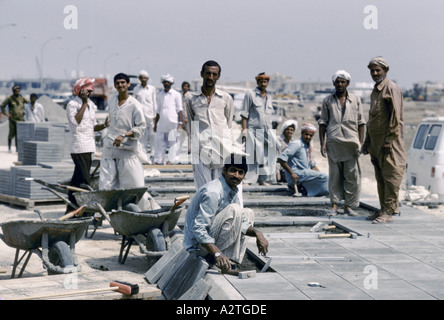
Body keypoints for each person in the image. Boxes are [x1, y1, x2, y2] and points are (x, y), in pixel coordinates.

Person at [183, 154, 269, 273]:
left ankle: (230, 261)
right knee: (234, 210)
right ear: (224, 170)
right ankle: (218, 261)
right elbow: (198, 229)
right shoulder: (213, 192)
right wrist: (217, 253)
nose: (236, 176)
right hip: (197, 247)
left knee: (248, 213)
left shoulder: (232, 189)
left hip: (210, 239)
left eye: (240, 173)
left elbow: (243, 223)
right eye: (233, 171)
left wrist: (258, 234)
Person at [361, 57, 406, 224]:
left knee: (391, 178)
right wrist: (367, 142)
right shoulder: (376, 90)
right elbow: (373, 119)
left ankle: (389, 212)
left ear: (385, 70)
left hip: (390, 144)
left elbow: (396, 118)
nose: (374, 73)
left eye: (377, 70)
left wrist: (389, 140)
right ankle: (382, 208)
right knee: (380, 177)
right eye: (372, 70)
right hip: (376, 143)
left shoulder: (392, 89)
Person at [318, 70, 365, 216]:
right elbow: (322, 123)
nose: (340, 84)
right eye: (337, 82)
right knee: (335, 175)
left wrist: (361, 143)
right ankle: (334, 205)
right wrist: (322, 143)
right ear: (333, 83)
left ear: (347, 83)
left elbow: (361, 123)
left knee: (352, 175)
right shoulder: (327, 100)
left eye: (342, 82)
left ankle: (348, 206)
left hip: (351, 143)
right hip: (334, 142)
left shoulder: (356, 100)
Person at [185, 60, 236, 190]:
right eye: (208, 73)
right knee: (204, 189)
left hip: (222, 149)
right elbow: (192, 123)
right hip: (201, 149)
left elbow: (228, 123)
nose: (210, 77)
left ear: (218, 76)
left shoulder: (225, 98)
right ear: (202, 74)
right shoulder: (192, 99)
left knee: (223, 187)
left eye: (214, 74)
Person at [66, 78, 109, 213]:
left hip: (89, 146)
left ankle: (71, 209)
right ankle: (85, 211)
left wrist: (104, 125)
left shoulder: (91, 105)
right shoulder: (73, 104)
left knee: (77, 180)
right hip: (79, 147)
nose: (89, 94)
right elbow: (75, 123)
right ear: (79, 90)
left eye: (90, 91)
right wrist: (84, 104)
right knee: (85, 181)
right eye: (86, 91)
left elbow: (92, 127)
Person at [99, 73, 146, 190]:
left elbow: (141, 127)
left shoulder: (135, 105)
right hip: (110, 150)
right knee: (106, 187)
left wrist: (123, 135)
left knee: (135, 186)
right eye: (118, 83)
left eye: (123, 82)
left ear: (128, 84)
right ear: (114, 85)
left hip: (127, 151)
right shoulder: (111, 101)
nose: (120, 85)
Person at [241, 72, 276, 186]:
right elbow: (244, 113)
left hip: (267, 131)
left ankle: (263, 180)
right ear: (257, 82)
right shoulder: (250, 94)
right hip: (253, 130)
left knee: (265, 156)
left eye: (265, 81)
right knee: (251, 156)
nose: (263, 83)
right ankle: (248, 180)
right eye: (260, 81)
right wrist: (244, 129)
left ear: (267, 83)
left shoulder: (269, 96)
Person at [278, 123, 329, 197]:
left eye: (310, 135)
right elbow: (281, 159)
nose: (308, 137)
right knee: (324, 177)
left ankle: (308, 190)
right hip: (297, 174)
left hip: (305, 173)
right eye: (306, 134)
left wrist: (319, 175)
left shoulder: (308, 147)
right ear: (302, 133)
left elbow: (313, 166)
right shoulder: (297, 144)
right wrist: (292, 173)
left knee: (326, 178)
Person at [153, 73, 184, 164]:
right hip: (162, 124)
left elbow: (180, 110)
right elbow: (158, 111)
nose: (166, 84)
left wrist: (180, 124)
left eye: (168, 82)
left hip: (173, 123)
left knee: (173, 143)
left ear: (171, 83)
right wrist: (155, 124)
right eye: (164, 82)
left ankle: (172, 160)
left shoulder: (176, 94)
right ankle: (158, 160)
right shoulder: (160, 95)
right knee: (159, 143)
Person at [133, 70, 157, 160]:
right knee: (142, 135)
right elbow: (134, 103)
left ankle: (153, 152)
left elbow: (154, 102)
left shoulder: (152, 89)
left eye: (145, 78)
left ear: (147, 79)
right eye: (141, 78)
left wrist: (155, 115)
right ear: (139, 79)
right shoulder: (136, 89)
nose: (143, 79)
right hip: (140, 115)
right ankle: (144, 153)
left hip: (150, 115)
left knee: (152, 134)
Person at [0, 85, 28, 152]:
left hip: (21, 119)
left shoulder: (22, 98)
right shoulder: (10, 98)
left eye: (18, 91)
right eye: (16, 91)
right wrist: (6, 114)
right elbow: (2, 105)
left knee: (19, 135)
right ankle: (9, 148)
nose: (18, 92)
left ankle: (17, 149)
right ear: (13, 91)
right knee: (11, 134)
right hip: (13, 119)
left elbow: (28, 102)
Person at [181, 81, 192, 154]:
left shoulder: (190, 96)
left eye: (186, 86)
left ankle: (189, 149)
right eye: (184, 86)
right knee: (181, 135)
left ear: (188, 87)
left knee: (189, 135)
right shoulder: (180, 96)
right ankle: (180, 149)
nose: (185, 88)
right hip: (181, 118)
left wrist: (188, 117)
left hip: (188, 118)